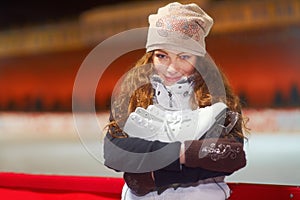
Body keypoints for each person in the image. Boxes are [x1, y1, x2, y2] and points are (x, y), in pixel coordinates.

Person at [104, 2, 248, 200]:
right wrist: (187, 152)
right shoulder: (133, 95)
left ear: (199, 57)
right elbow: (114, 152)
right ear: (151, 56)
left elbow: (231, 157)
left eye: (184, 56)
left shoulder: (218, 98)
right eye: (162, 56)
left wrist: (155, 176)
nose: (171, 68)